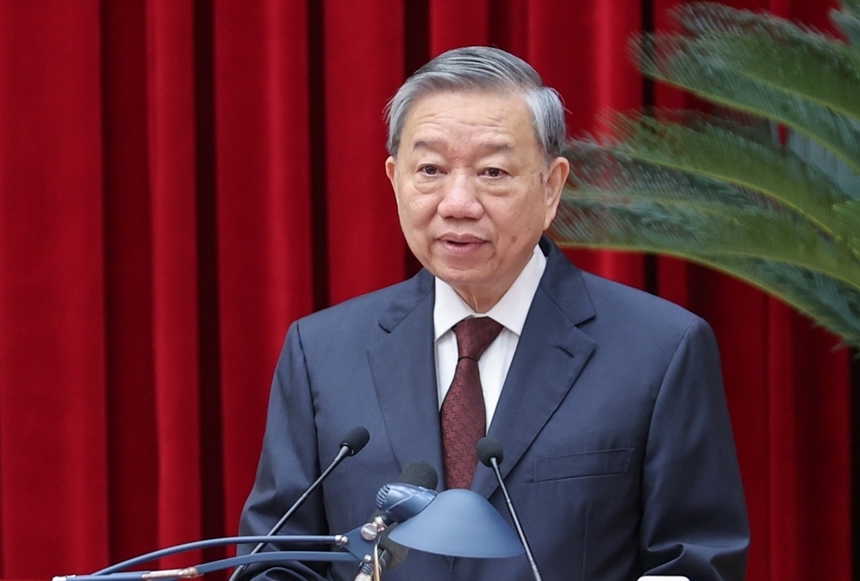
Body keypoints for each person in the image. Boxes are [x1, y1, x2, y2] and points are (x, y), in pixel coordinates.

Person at [237, 46, 749, 581]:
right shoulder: (320, 353)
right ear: (394, 179)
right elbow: (276, 560)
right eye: (430, 169)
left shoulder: (660, 350)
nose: (458, 203)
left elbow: (694, 564)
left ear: (552, 187)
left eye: (493, 171)